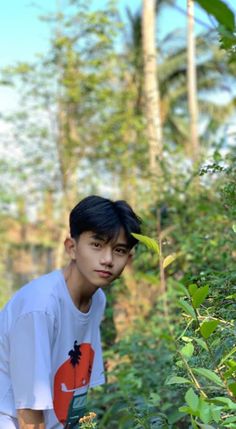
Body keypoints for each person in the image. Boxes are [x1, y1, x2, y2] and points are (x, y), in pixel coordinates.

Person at [0, 195, 142, 429]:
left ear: (128, 258)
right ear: (72, 248)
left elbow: (77, 387)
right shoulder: (40, 307)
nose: (107, 259)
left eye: (118, 250)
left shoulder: (97, 300)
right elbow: (29, 413)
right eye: (97, 245)